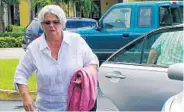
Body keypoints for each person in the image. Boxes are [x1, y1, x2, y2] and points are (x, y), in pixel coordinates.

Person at [14, 5, 99, 111]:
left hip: (76, 106)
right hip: (46, 108)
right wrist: (25, 96)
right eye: (47, 22)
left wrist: (85, 77)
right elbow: (20, 74)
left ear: (62, 23)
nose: (51, 25)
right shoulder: (34, 48)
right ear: (41, 24)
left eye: (55, 22)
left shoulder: (76, 41)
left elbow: (92, 62)